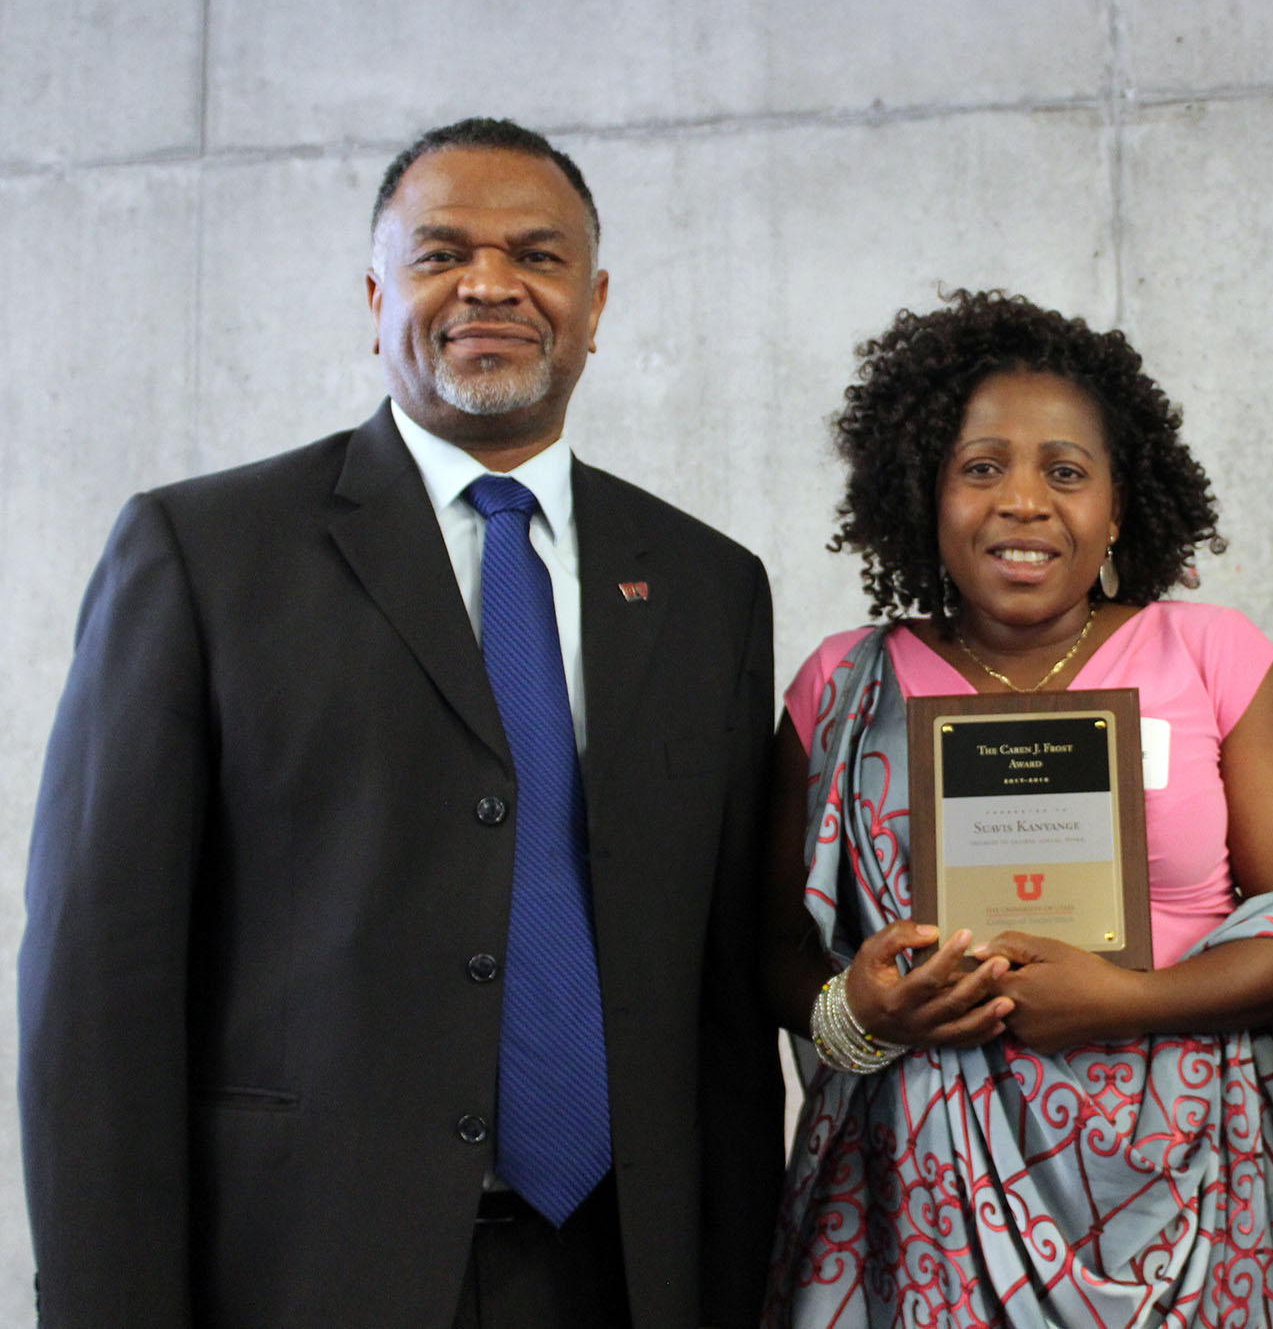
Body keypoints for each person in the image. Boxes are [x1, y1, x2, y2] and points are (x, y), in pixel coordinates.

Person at [20, 117, 781, 1327]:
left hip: (626, 1272)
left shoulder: (706, 585)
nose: (490, 284)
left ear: (593, 303)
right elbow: (99, 989)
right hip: (306, 1268)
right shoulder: (203, 553)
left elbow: (725, 1000)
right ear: (376, 295)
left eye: (536, 255)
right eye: (441, 255)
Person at [759, 289, 1273, 1327]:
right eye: (979, 467)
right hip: (922, 1207)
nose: (1023, 501)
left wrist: (1120, 1001)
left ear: (1115, 506)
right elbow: (765, 944)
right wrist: (855, 1013)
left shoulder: (1212, 657)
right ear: (924, 495)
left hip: (1193, 1196)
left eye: (1065, 473)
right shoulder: (840, 686)